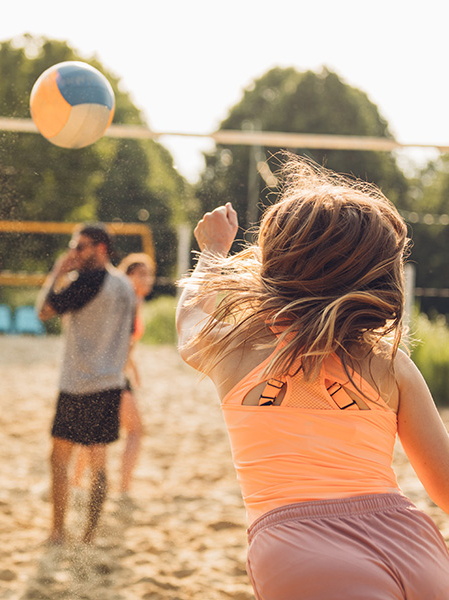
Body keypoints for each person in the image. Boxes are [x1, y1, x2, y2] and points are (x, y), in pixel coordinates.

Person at [176, 154, 449, 599]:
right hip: (411, 544)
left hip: (303, 553)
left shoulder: (235, 352)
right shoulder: (389, 362)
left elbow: (188, 313)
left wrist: (212, 251)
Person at [36, 223, 136, 545]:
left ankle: (57, 531)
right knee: (98, 463)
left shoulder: (89, 281)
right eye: (73, 246)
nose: (74, 252)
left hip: (79, 383)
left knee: (59, 459)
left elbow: (43, 311)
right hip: (110, 382)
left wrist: (56, 273)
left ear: (101, 248)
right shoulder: (125, 285)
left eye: (81, 247)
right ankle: (90, 535)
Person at [72, 253, 156, 498]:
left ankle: (77, 483)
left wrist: (134, 368)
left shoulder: (129, 300)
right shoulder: (124, 300)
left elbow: (123, 343)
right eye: (141, 274)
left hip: (112, 372)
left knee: (95, 433)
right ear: (128, 276)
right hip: (111, 374)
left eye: (149, 273)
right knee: (132, 430)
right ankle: (122, 488)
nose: (147, 279)